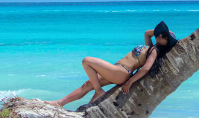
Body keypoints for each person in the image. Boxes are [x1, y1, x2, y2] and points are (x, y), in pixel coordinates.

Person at [46, 21, 177, 108]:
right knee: (87, 84)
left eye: (163, 36)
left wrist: (130, 82)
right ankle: (59, 103)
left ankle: (98, 92)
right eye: (161, 34)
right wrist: (167, 31)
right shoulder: (149, 46)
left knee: (87, 61)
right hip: (116, 69)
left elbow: (146, 68)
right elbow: (147, 33)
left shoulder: (154, 51)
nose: (158, 35)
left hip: (122, 72)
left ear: (165, 41)